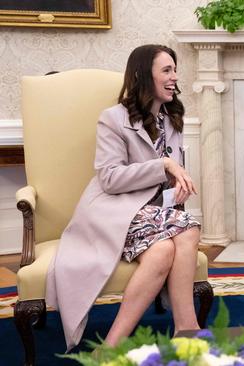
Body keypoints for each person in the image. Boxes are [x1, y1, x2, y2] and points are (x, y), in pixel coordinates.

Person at [45, 44, 201, 351]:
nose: (174, 77)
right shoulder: (113, 119)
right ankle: (188, 329)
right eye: (166, 70)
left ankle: (111, 347)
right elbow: (110, 177)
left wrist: (174, 185)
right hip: (114, 211)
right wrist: (164, 166)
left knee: (161, 253)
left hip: (153, 214)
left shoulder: (172, 118)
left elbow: (162, 179)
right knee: (189, 227)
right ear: (144, 76)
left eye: (174, 69)